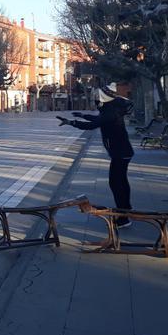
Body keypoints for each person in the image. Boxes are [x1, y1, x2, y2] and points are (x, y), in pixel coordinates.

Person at [57, 83, 133, 228]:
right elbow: (98, 119)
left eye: (98, 97)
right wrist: (82, 115)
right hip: (122, 151)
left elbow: (93, 125)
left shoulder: (110, 111)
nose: (96, 100)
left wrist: (71, 122)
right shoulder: (112, 108)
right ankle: (126, 209)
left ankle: (124, 218)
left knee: (116, 183)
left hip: (120, 152)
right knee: (121, 181)